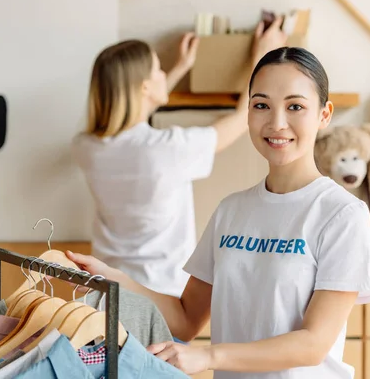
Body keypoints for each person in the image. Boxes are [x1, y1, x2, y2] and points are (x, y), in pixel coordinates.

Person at [67, 43, 370, 379]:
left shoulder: (342, 215)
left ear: (324, 115)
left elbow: (313, 344)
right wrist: (116, 279)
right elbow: (185, 317)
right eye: (261, 105)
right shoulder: (231, 211)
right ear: (248, 113)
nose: (277, 123)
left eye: (295, 107)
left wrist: (207, 356)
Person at [71, 17, 288, 300]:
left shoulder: (86, 148)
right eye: (158, 70)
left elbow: (133, 116)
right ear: (144, 87)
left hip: (106, 296)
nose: (164, 74)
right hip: (160, 300)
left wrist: (179, 68)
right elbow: (240, 118)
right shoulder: (168, 148)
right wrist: (262, 57)